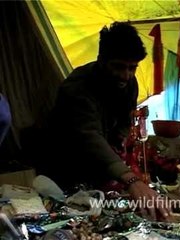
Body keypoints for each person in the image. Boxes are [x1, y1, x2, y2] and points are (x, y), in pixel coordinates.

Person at [40, 22, 170, 220]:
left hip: (98, 164)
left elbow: (126, 118)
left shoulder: (129, 83)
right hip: (65, 165)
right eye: (118, 66)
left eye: (132, 68)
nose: (126, 75)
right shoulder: (76, 88)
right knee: (74, 217)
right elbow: (88, 136)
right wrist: (131, 179)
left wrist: (119, 140)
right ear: (101, 60)